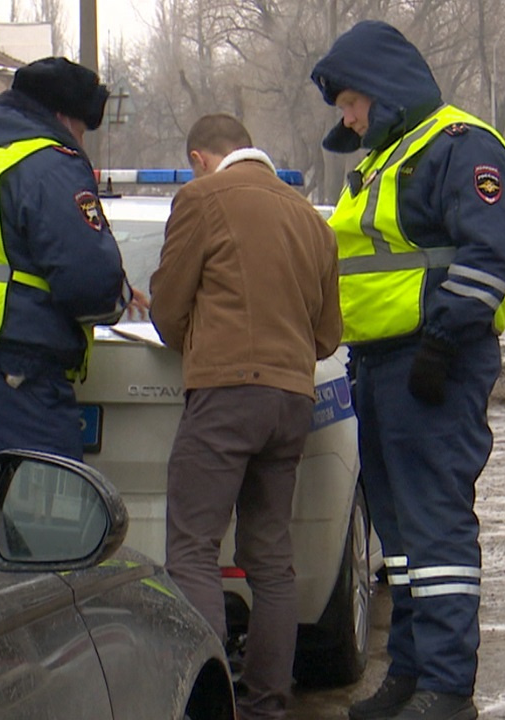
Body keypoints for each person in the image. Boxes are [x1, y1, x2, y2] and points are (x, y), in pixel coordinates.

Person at [310, 21, 505, 720]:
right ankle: (409, 675)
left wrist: (440, 345)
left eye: (349, 103)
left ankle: (447, 689)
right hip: (379, 364)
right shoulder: (387, 156)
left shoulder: (460, 147)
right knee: (400, 543)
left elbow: (487, 258)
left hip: (433, 363)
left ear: (381, 89)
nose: (346, 118)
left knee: (436, 532)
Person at [150, 114, 341, 720]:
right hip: (291, 403)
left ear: (200, 157)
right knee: (271, 561)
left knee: (192, 550)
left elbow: (169, 306)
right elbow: (329, 334)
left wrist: (201, 341)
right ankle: (266, 707)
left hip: (225, 396)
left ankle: (213, 707)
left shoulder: (200, 199)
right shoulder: (312, 219)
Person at [0, 56, 138, 489]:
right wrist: (122, 298)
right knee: (44, 530)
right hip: (17, 371)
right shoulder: (46, 162)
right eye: (80, 130)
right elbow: (89, 282)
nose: (80, 142)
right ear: (61, 116)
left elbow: (1, 251)